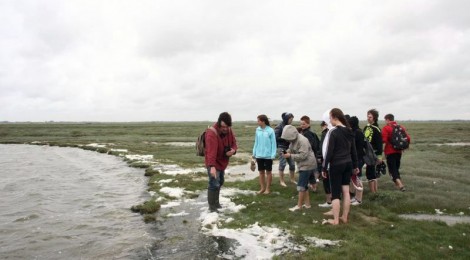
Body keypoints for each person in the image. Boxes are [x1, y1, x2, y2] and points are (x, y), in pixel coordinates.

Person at [322, 108, 359, 225]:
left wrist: (324, 167)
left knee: (336, 193)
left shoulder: (333, 132)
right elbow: (354, 151)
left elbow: (329, 152)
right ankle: (344, 217)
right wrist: (356, 165)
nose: (329, 121)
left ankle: (336, 220)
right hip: (348, 163)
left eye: (330, 118)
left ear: (334, 117)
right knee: (346, 191)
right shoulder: (349, 130)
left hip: (336, 164)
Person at [205, 112, 238, 212]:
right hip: (213, 163)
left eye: (227, 126)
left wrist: (233, 150)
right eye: (223, 126)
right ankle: (212, 207)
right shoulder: (211, 133)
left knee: (220, 182)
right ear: (219, 123)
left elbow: (234, 143)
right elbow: (211, 152)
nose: (225, 129)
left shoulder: (229, 130)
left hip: (222, 162)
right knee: (213, 183)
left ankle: (216, 203)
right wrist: (212, 166)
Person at [280, 125, 317, 211]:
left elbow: (303, 156)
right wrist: (286, 152)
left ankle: (299, 206)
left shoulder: (302, 140)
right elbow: (291, 148)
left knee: (301, 186)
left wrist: (290, 155)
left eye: (287, 138)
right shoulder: (293, 140)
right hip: (304, 164)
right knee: (305, 186)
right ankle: (307, 205)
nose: (286, 140)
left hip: (307, 165)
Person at [382, 114, 411, 191]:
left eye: (385, 120)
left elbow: (384, 140)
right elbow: (408, 138)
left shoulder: (386, 128)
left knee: (392, 169)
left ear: (387, 119)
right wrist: (405, 146)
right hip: (399, 151)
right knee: (396, 168)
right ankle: (398, 184)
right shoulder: (401, 127)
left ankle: (401, 185)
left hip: (390, 151)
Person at [252, 114, 277, 195]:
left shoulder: (270, 130)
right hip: (259, 155)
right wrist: (254, 153)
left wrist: (273, 155)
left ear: (263, 121)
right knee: (261, 172)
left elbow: (273, 143)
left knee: (268, 172)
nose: (257, 122)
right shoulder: (257, 130)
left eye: (258, 120)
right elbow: (256, 142)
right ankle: (262, 188)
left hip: (268, 156)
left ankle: (268, 189)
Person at [299, 115, 321, 191]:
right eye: (301, 124)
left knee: (307, 172)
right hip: (311, 156)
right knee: (311, 172)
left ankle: (305, 187)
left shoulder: (308, 134)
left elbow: (310, 145)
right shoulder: (306, 132)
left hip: (308, 156)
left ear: (308, 124)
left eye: (304, 124)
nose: (302, 125)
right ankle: (314, 187)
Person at [363, 109, 383, 193]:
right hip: (366, 153)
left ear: (374, 117)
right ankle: (374, 192)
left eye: (370, 117)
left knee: (371, 172)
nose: (368, 118)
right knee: (371, 172)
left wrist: (379, 156)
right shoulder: (366, 127)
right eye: (367, 116)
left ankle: (373, 192)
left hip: (373, 153)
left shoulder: (377, 129)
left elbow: (379, 144)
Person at [274, 112, 296, 186]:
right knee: (282, 164)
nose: (291, 121)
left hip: (290, 148)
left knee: (292, 164)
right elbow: (276, 138)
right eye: (290, 119)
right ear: (286, 118)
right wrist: (285, 139)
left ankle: (292, 179)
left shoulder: (290, 126)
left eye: (292, 119)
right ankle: (281, 181)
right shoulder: (279, 126)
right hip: (282, 147)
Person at [348, 116, 365, 205]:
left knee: (358, 178)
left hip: (358, 159)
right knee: (354, 178)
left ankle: (359, 199)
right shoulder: (357, 131)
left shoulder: (357, 133)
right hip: (357, 158)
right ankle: (356, 197)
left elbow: (357, 148)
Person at [318, 115, 333, 208]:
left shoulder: (325, 133)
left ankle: (329, 201)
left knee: (326, 180)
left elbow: (322, 147)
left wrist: (319, 157)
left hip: (326, 160)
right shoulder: (335, 131)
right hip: (336, 160)